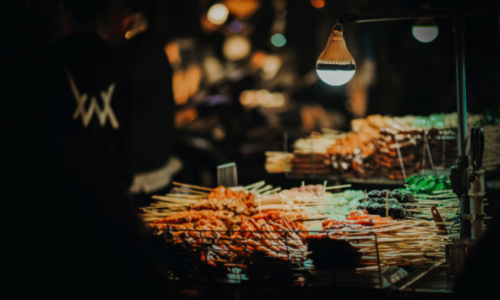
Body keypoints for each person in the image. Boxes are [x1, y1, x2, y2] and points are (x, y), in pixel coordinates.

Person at [12, 0, 172, 297]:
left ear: (65, 16)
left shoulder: (51, 60)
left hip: (76, 188)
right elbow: (123, 123)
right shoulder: (115, 59)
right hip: (112, 183)